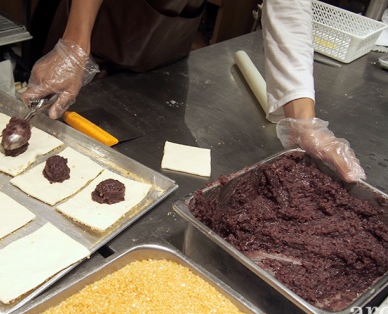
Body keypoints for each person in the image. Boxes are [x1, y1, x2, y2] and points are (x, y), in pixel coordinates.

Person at [20, 0, 366, 182]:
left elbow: (288, 6)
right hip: (99, 16)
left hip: (168, 29)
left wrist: (303, 121)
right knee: (53, 146)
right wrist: (75, 45)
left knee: (149, 148)